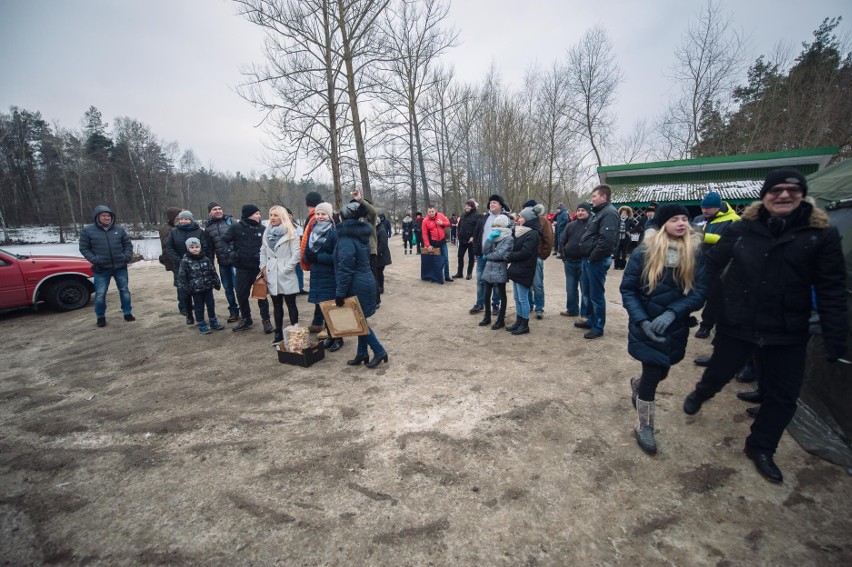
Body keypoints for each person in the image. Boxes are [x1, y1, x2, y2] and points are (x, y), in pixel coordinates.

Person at [682, 169, 847, 484]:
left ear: (802, 194)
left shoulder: (820, 234)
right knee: (719, 371)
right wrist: (695, 299)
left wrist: (835, 334)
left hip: (787, 329)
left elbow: (831, 287)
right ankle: (702, 392)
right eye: (776, 190)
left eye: (792, 189)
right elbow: (713, 263)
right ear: (765, 195)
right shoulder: (744, 229)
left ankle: (761, 447)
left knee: (783, 396)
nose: (784, 195)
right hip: (739, 322)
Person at [620, 204, 707, 455]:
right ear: (662, 224)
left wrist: (673, 312)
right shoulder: (644, 252)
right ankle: (644, 425)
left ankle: (636, 384)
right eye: (674, 219)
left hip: (675, 326)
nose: (681, 223)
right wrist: (642, 321)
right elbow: (628, 289)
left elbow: (701, 292)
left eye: (684, 219)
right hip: (645, 325)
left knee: (663, 370)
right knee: (652, 375)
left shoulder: (695, 253)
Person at [335, 201, 388, 369]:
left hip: (356, 284)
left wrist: (340, 293)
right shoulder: (361, 234)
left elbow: (345, 268)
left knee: (359, 321)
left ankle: (379, 351)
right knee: (360, 319)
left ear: (343, 219)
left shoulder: (346, 239)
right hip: (366, 281)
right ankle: (362, 352)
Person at [691, 192, 741, 339]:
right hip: (698, 262)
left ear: (718, 207)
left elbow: (732, 241)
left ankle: (706, 325)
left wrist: (705, 237)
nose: (705, 211)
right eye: (703, 208)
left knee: (714, 297)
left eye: (709, 208)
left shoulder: (733, 220)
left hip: (720, 266)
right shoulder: (699, 219)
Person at [79, 205, 135, 327]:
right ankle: (100, 316)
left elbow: (128, 245)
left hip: (120, 266)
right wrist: (95, 260)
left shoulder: (119, 229)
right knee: (100, 293)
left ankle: (127, 313)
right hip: (101, 268)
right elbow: (84, 248)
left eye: (108, 216)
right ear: (97, 217)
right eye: (104, 215)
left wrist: (126, 257)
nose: (107, 218)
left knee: (124, 290)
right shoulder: (88, 231)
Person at [576, 184, 619, 339]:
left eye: (594, 196)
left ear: (603, 197)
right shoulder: (601, 213)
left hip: (597, 261)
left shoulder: (609, 213)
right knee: (588, 292)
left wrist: (593, 257)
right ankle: (592, 320)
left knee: (596, 295)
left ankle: (598, 326)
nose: (592, 199)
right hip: (589, 259)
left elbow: (606, 241)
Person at [222, 204, 272, 333]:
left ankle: (266, 320)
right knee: (241, 294)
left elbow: (269, 246)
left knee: (261, 295)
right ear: (249, 214)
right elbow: (223, 241)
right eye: (257, 213)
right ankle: (246, 318)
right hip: (242, 267)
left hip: (258, 268)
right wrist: (230, 253)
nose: (259, 216)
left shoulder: (263, 229)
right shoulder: (236, 228)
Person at [303, 203, 343, 352]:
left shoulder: (334, 232)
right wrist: (308, 257)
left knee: (332, 308)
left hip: (330, 275)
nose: (320, 217)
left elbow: (336, 256)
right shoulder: (313, 230)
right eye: (318, 214)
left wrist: (317, 257)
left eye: (323, 214)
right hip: (316, 275)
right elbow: (307, 250)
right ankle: (330, 336)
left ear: (329, 216)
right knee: (322, 307)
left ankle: (339, 338)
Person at [260, 205, 301, 344]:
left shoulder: (291, 233)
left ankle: (296, 331)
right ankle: (278, 333)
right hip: (271, 273)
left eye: (276, 215)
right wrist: (263, 267)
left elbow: (296, 254)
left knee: (291, 304)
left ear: (282, 216)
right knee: (276, 306)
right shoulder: (267, 233)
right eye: (271, 215)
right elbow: (263, 252)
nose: (272, 218)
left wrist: (286, 268)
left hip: (286, 273)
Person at [166, 210, 211, 325]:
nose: (183, 221)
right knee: (184, 292)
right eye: (181, 219)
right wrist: (180, 261)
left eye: (186, 219)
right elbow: (169, 248)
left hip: (197, 266)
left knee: (198, 292)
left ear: (191, 219)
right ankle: (188, 314)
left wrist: (199, 260)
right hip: (180, 266)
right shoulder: (174, 232)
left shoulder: (200, 232)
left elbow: (205, 247)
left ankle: (199, 315)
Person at [470, 195, 511, 314]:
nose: (492, 204)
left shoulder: (506, 219)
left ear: (501, 205)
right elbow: (477, 234)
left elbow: (510, 237)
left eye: (495, 202)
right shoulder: (484, 218)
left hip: (497, 257)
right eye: (491, 202)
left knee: (497, 283)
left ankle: (495, 305)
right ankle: (480, 303)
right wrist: (476, 250)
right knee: (480, 280)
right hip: (482, 255)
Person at [505, 206, 542, 335]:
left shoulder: (533, 234)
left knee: (523, 298)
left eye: (520, 216)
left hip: (525, 268)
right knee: (516, 297)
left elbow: (525, 252)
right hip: (516, 267)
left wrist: (509, 256)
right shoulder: (519, 231)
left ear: (526, 219)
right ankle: (518, 321)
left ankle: (524, 324)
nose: (518, 218)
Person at [177, 237, 224, 334]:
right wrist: (184, 289)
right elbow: (182, 276)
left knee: (211, 305)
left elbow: (212, 271)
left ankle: (213, 322)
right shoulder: (185, 261)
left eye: (197, 247)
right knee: (199, 307)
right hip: (196, 290)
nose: (195, 249)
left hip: (208, 287)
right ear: (188, 249)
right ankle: (201, 324)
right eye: (192, 247)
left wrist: (216, 282)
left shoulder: (205, 258)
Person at [205, 202, 240, 322]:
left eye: (220, 208)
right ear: (210, 212)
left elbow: (240, 239)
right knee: (228, 288)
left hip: (235, 261)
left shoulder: (231, 222)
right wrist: (210, 265)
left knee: (239, 287)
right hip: (223, 263)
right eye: (215, 209)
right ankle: (233, 311)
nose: (218, 211)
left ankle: (245, 311)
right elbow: (210, 249)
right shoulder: (208, 228)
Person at [478, 215, 513, 330]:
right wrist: (489, 239)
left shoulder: (509, 238)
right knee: (487, 293)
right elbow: (485, 250)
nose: (496, 228)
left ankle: (500, 319)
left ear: (503, 226)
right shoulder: (494, 236)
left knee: (501, 294)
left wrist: (487, 256)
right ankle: (487, 316)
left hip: (500, 267)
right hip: (489, 267)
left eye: (499, 225)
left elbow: (500, 254)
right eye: (495, 225)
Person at [557, 202, 591, 318]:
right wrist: (564, 256)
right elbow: (562, 242)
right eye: (579, 210)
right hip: (569, 262)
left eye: (583, 210)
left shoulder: (592, 225)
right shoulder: (570, 225)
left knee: (585, 289)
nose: (580, 213)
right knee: (570, 288)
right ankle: (572, 309)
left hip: (584, 262)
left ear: (588, 212)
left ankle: (585, 313)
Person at [523, 200, 553, 320]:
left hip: (536, 257)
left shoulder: (543, 221)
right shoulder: (523, 221)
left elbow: (549, 239)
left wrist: (542, 255)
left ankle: (539, 308)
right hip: (525, 258)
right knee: (526, 284)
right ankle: (529, 305)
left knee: (538, 284)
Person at [158, 207, 187, 316]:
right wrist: (176, 260)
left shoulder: (178, 228)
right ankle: (183, 306)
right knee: (180, 284)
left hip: (183, 259)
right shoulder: (167, 230)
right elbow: (167, 247)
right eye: (179, 217)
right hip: (175, 261)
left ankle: (187, 303)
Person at [421, 206, 453, 282]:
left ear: (435, 211)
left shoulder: (440, 215)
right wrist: (428, 245)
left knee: (445, 259)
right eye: (429, 212)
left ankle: (447, 276)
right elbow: (424, 234)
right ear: (427, 212)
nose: (431, 213)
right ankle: (435, 276)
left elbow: (448, 223)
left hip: (442, 242)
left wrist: (442, 223)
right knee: (436, 261)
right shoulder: (425, 221)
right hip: (433, 243)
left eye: (432, 211)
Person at [455, 199, 479, 279]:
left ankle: (469, 273)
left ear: (472, 207)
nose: (467, 207)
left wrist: (473, 237)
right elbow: (460, 225)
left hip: (471, 241)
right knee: (460, 256)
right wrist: (458, 234)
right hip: (462, 239)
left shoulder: (477, 215)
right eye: (466, 205)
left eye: (469, 206)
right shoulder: (463, 214)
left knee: (471, 257)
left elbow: (478, 228)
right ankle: (459, 273)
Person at [613, 206, 637, 270]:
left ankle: (622, 266)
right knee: (617, 252)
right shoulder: (617, 219)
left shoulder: (630, 220)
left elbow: (635, 228)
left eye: (625, 213)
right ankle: (616, 265)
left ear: (628, 214)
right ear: (620, 213)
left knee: (624, 252)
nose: (624, 214)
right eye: (622, 213)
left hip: (626, 239)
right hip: (618, 238)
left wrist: (630, 232)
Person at [376, 213, 392, 295]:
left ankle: (381, 287)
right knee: (378, 272)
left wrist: (377, 252)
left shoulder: (381, 231)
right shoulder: (377, 229)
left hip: (382, 256)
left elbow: (383, 244)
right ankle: (379, 287)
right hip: (380, 256)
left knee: (379, 272)